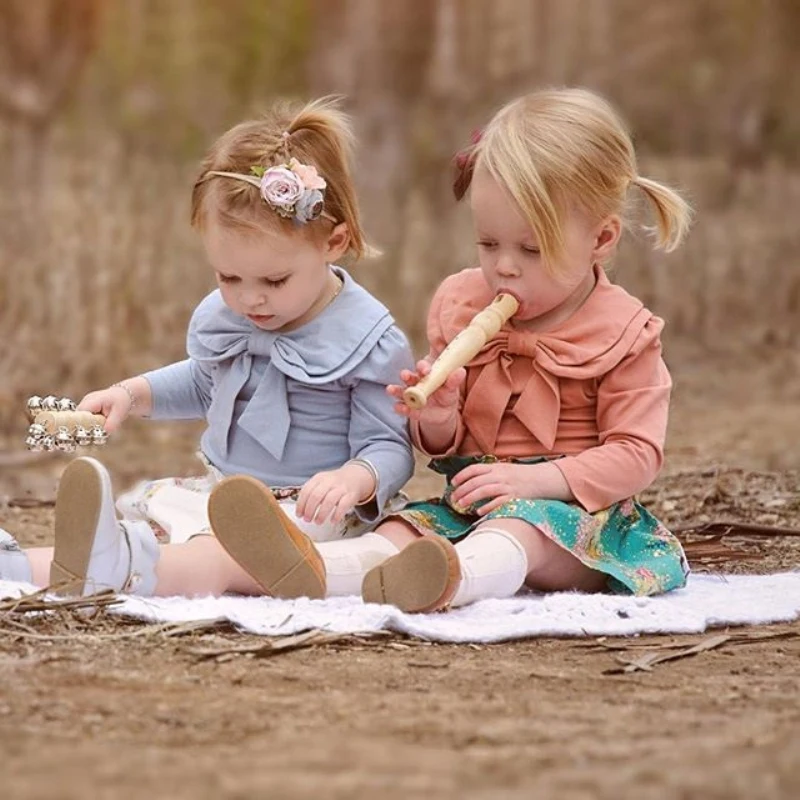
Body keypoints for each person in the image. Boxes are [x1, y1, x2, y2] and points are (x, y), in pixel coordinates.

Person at [205, 87, 692, 613]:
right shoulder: (462, 304)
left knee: (518, 530)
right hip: (469, 504)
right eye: (488, 244)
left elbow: (637, 454)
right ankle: (319, 573)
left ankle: (453, 581)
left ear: (601, 239)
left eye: (531, 249)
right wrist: (438, 416)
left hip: (576, 518)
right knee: (402, 529)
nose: (504, 265)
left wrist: (534, 480)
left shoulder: (623, 331)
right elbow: (444, 446)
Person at [0, 97, 414, 598]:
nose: (249, 297)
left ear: (334, 242)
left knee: (216, 553)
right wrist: (131, 394)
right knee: (168, 521)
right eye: (228, 276)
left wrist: (354, 478)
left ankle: (100, 568)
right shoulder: (235, 318)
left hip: (310, 513)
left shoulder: (366, 340)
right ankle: (28, 564)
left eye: (274, 279)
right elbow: (204, 380)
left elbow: (389, 444)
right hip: (226, 495)